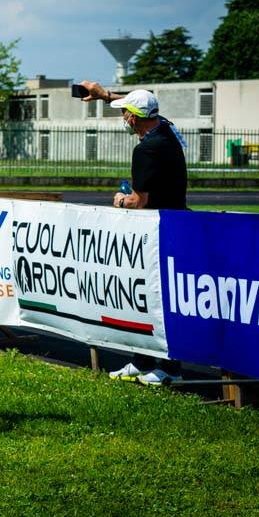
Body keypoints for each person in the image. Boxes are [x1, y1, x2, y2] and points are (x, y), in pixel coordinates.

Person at [79, 82, 186, 386]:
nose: (123, 116)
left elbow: (139, 201)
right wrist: (105, 96)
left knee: (157, 299)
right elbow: (143, 108)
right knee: (149, 299)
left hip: (157, 230)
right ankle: (142, 359)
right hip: (173, 224)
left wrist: (120, 200)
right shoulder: (165, 129)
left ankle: (169, 368)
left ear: (134, 119)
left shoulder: (146, 149)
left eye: (125, 112)